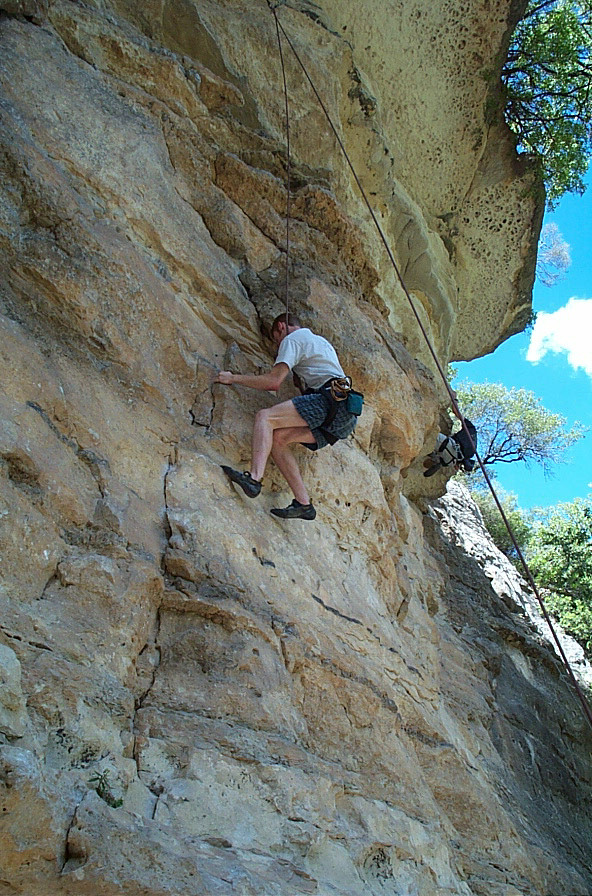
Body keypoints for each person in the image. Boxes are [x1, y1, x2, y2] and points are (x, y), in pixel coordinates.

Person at [214, 313, 359, 519]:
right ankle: (304, 504)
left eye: (276, 339)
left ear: (281, 327)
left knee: (265, 417)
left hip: (329, 401)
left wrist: (233, 378)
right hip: (346, 415)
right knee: (279, 439)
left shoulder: (292, 339)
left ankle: (254, 479)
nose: (279, 345)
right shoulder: (322, 343)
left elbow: (273, 381)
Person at [423, 407, 477, 477]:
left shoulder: (471, 429)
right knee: (444, 457)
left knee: (427, 433)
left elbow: (456, 411)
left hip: (448, 444)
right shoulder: (469, 453)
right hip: (450, 461)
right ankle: (436, 458)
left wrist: (454, 400)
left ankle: (434, 456)